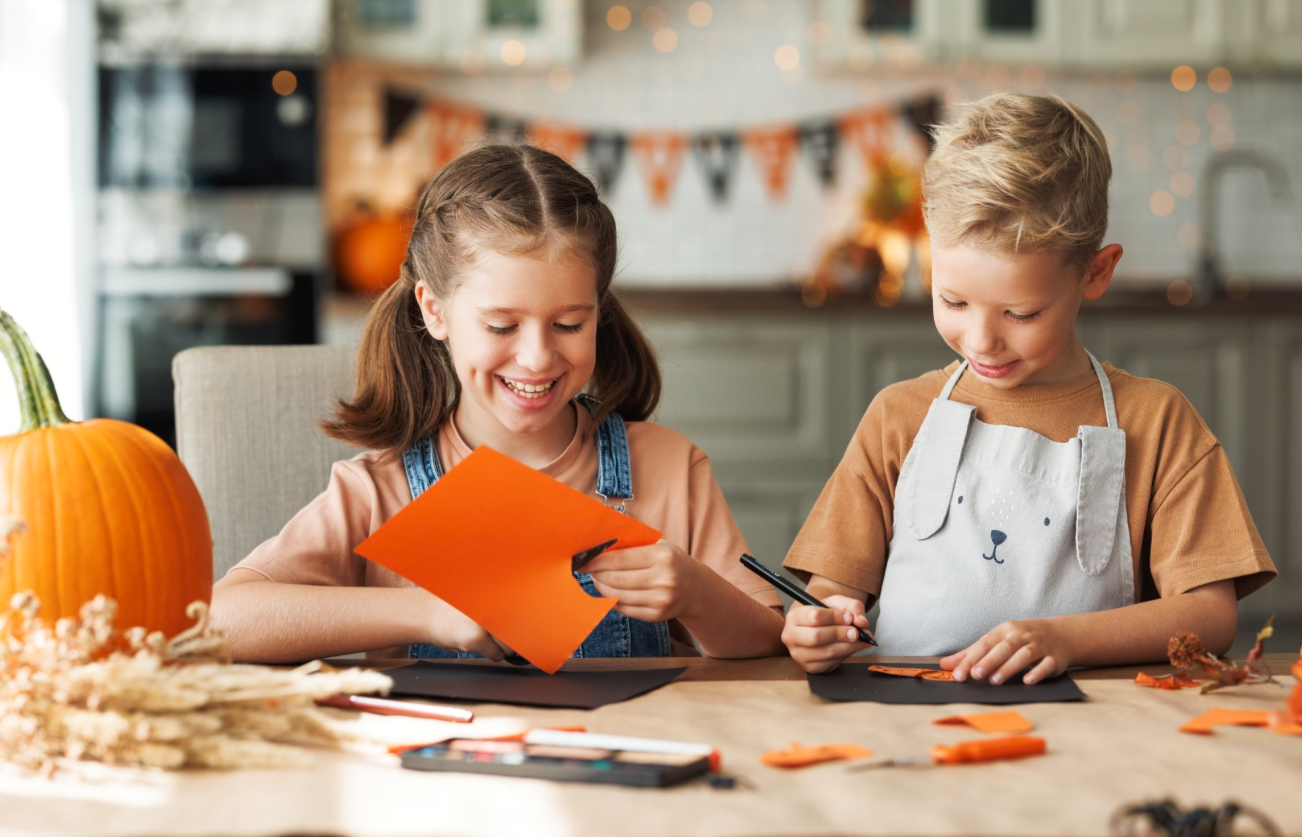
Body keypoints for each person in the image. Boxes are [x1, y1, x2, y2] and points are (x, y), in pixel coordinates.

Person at [211, 143, 784, 664]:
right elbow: (219, 621)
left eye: (568, 324)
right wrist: (429, 614)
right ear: (434, 312)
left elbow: (764, 643)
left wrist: (696, 590)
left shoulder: (667, 467)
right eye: (501, 325)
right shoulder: (378, 491)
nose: (536, 358)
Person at [781, 93, 1276, 684]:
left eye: (1020, 313)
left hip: (1093, 730)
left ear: (1095, 272)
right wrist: (817, 626)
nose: (981, 340)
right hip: (907, 725)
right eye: (953, 300)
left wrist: (1065, 637)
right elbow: (831, 593)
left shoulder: (1158, 421)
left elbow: (1210, 616)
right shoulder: (898, 416)